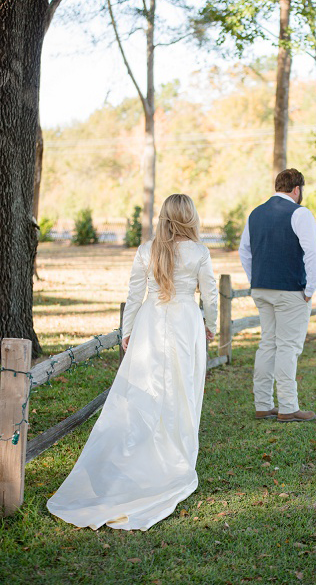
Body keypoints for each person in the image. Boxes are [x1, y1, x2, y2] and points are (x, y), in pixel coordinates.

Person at [47, 194, 217, 531]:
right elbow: (209, 295)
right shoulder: (199, 252)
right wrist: (210, 325)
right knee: (182, 391)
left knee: (147, 388)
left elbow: (133, 294)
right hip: (185, 326)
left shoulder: (147, 249)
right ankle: (173, 456)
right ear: (190, 217)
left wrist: (128, 332)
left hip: (151, 325)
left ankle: (144, 450)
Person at [239, 168, 316, 423]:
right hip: (290, 290)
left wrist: (255, 280)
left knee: (268, 344)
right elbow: (313, 253)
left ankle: (263, 404)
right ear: (297, 190)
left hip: (261, 288)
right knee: (287, 346)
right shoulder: (300, 213)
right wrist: (310, 288)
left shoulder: (255, 214)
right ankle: (288, 407)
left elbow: (244, 252)